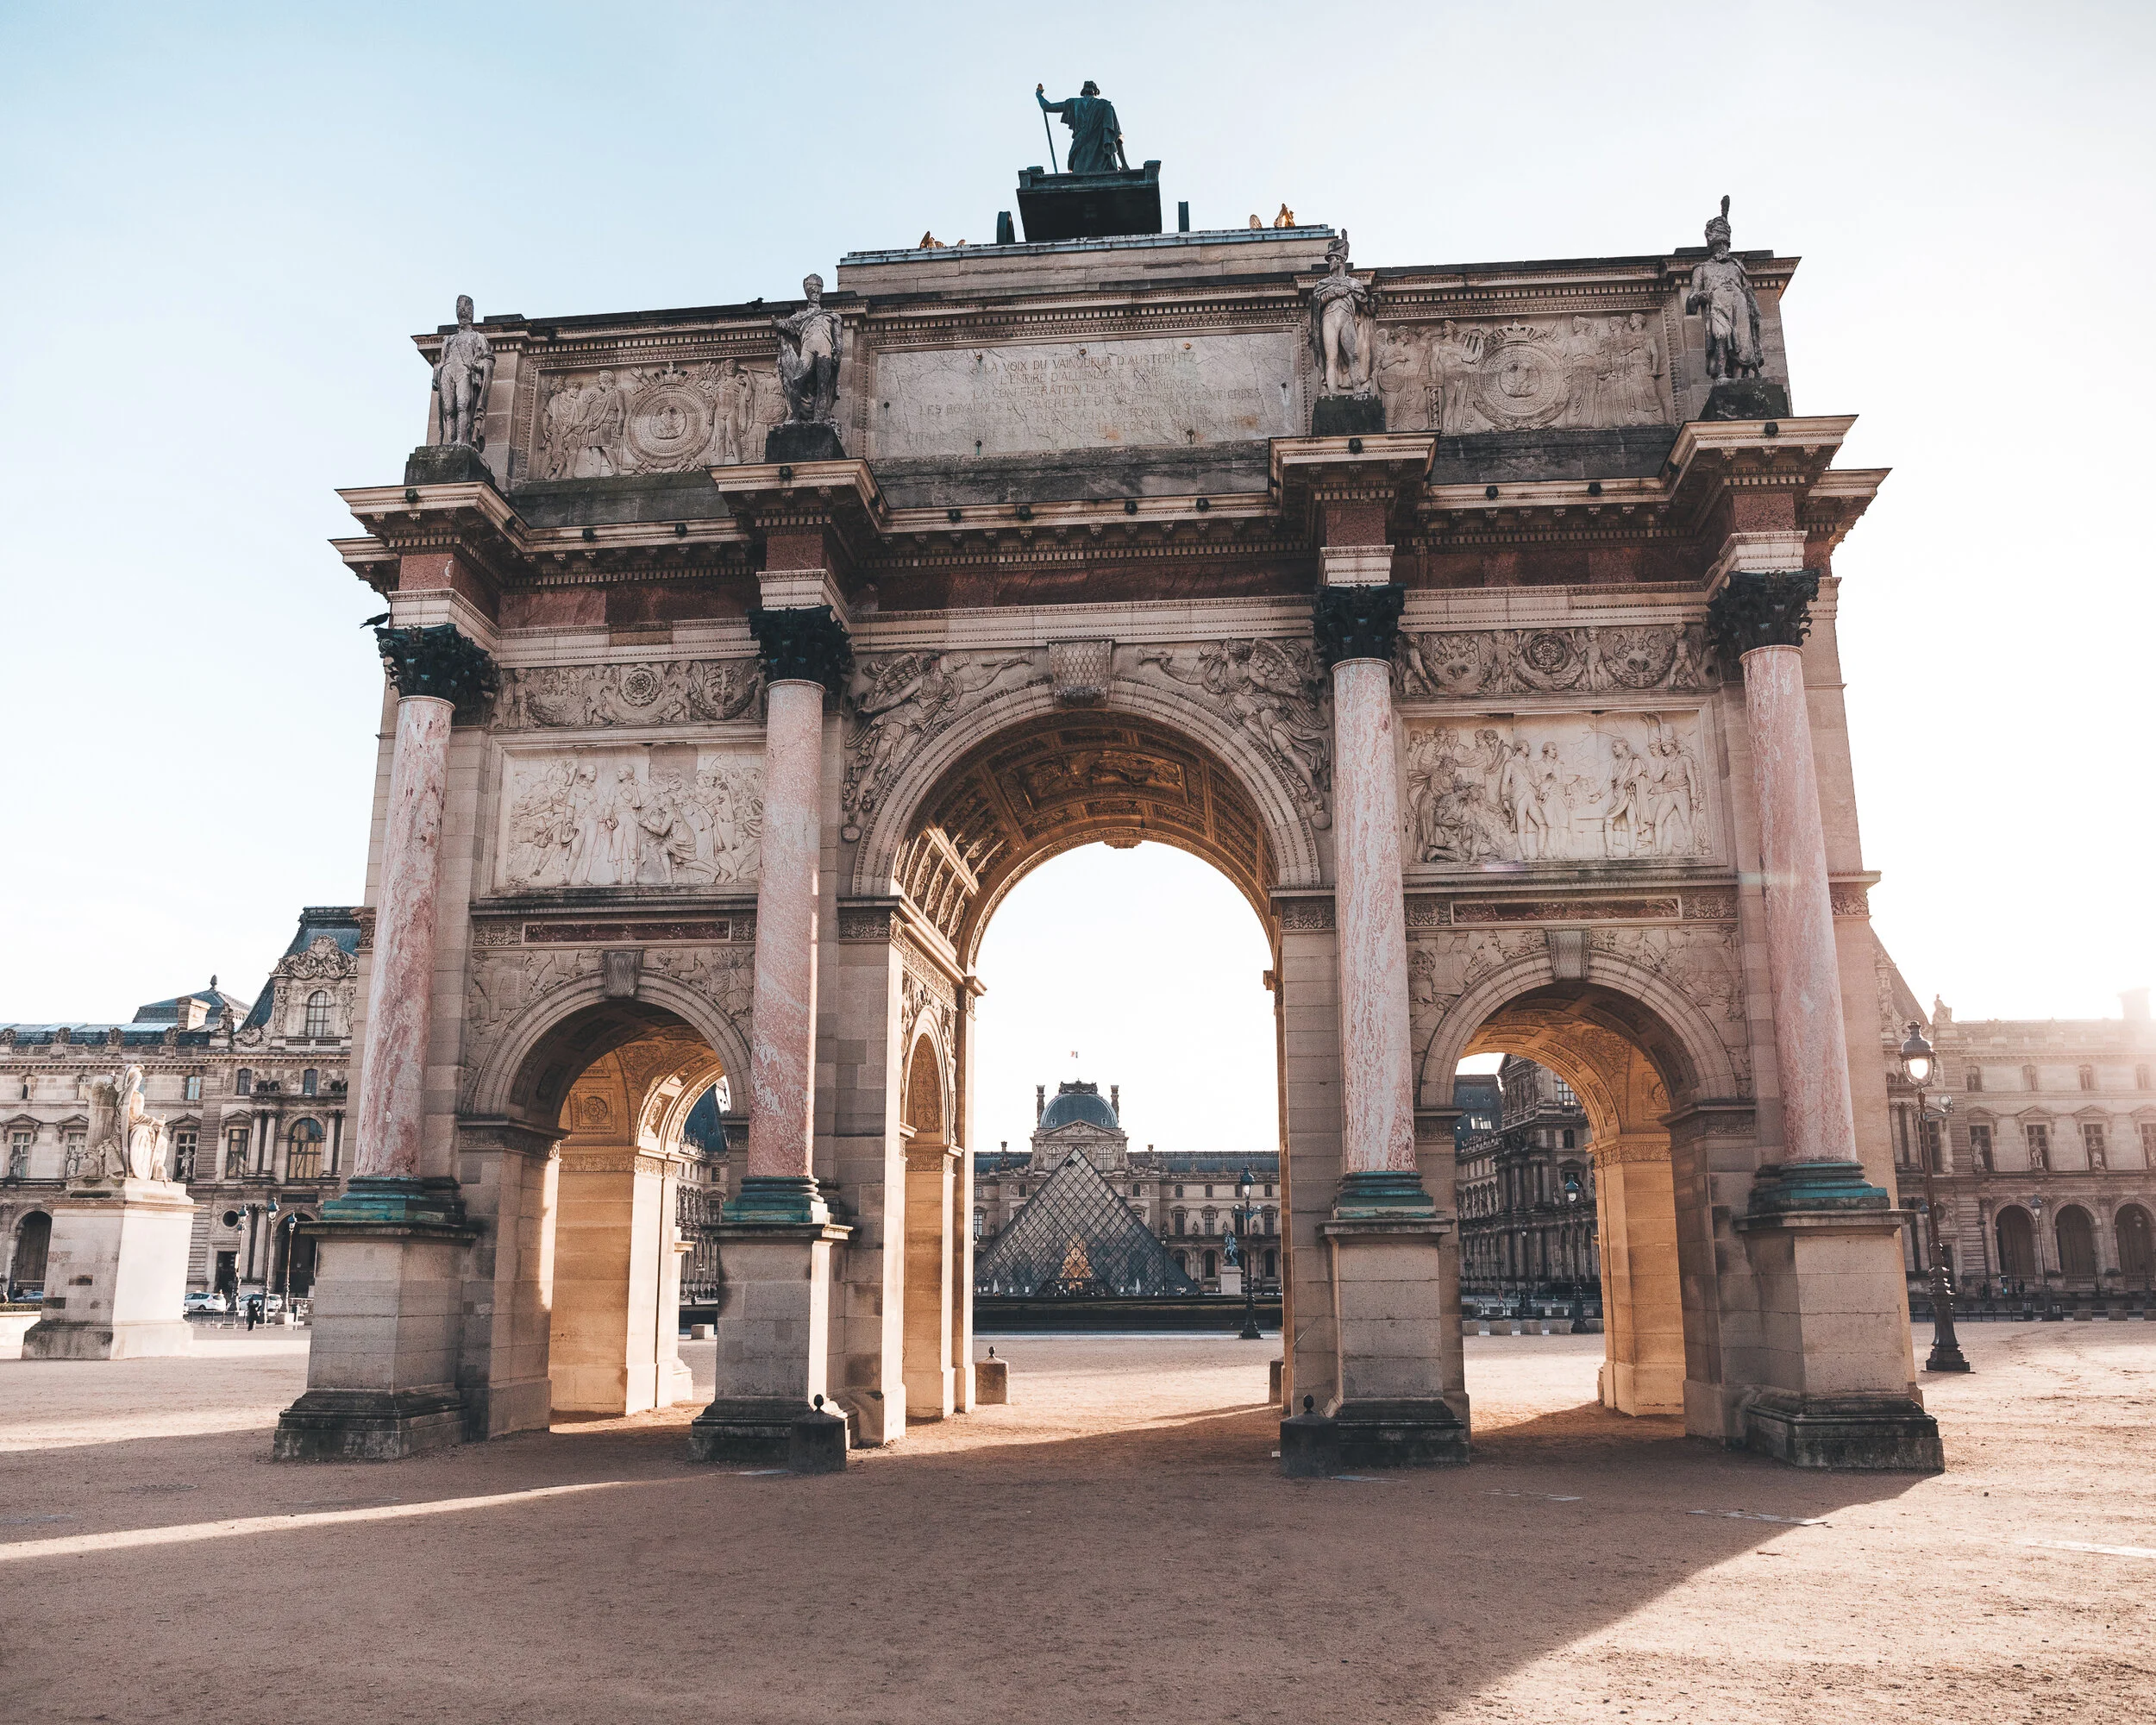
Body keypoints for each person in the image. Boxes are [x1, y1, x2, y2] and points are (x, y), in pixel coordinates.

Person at [1036, 80, 1126, 173]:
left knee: (1077, 182)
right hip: (1102, 160)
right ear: (1095, 92)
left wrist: (1039, 95)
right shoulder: (1106, 105)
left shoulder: (1073, 103)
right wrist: (1124, 164)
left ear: (1083, 92)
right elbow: (1116, 137)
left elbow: (1047, 107)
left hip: (1080, 156)